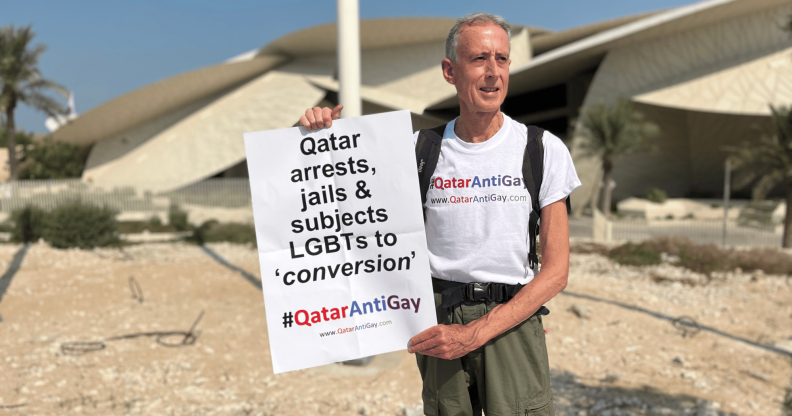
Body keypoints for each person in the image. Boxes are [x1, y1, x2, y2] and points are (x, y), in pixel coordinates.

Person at [300, 12, 580, 416]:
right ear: (450, 71)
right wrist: (321, 140)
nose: (492, 73)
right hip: (437, 322)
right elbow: (350, 219)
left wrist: (475, 333)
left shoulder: (542, 148)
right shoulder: (418, 150)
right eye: (479, 58)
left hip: (512, 323)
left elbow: (556, 271)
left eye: (502, 59)